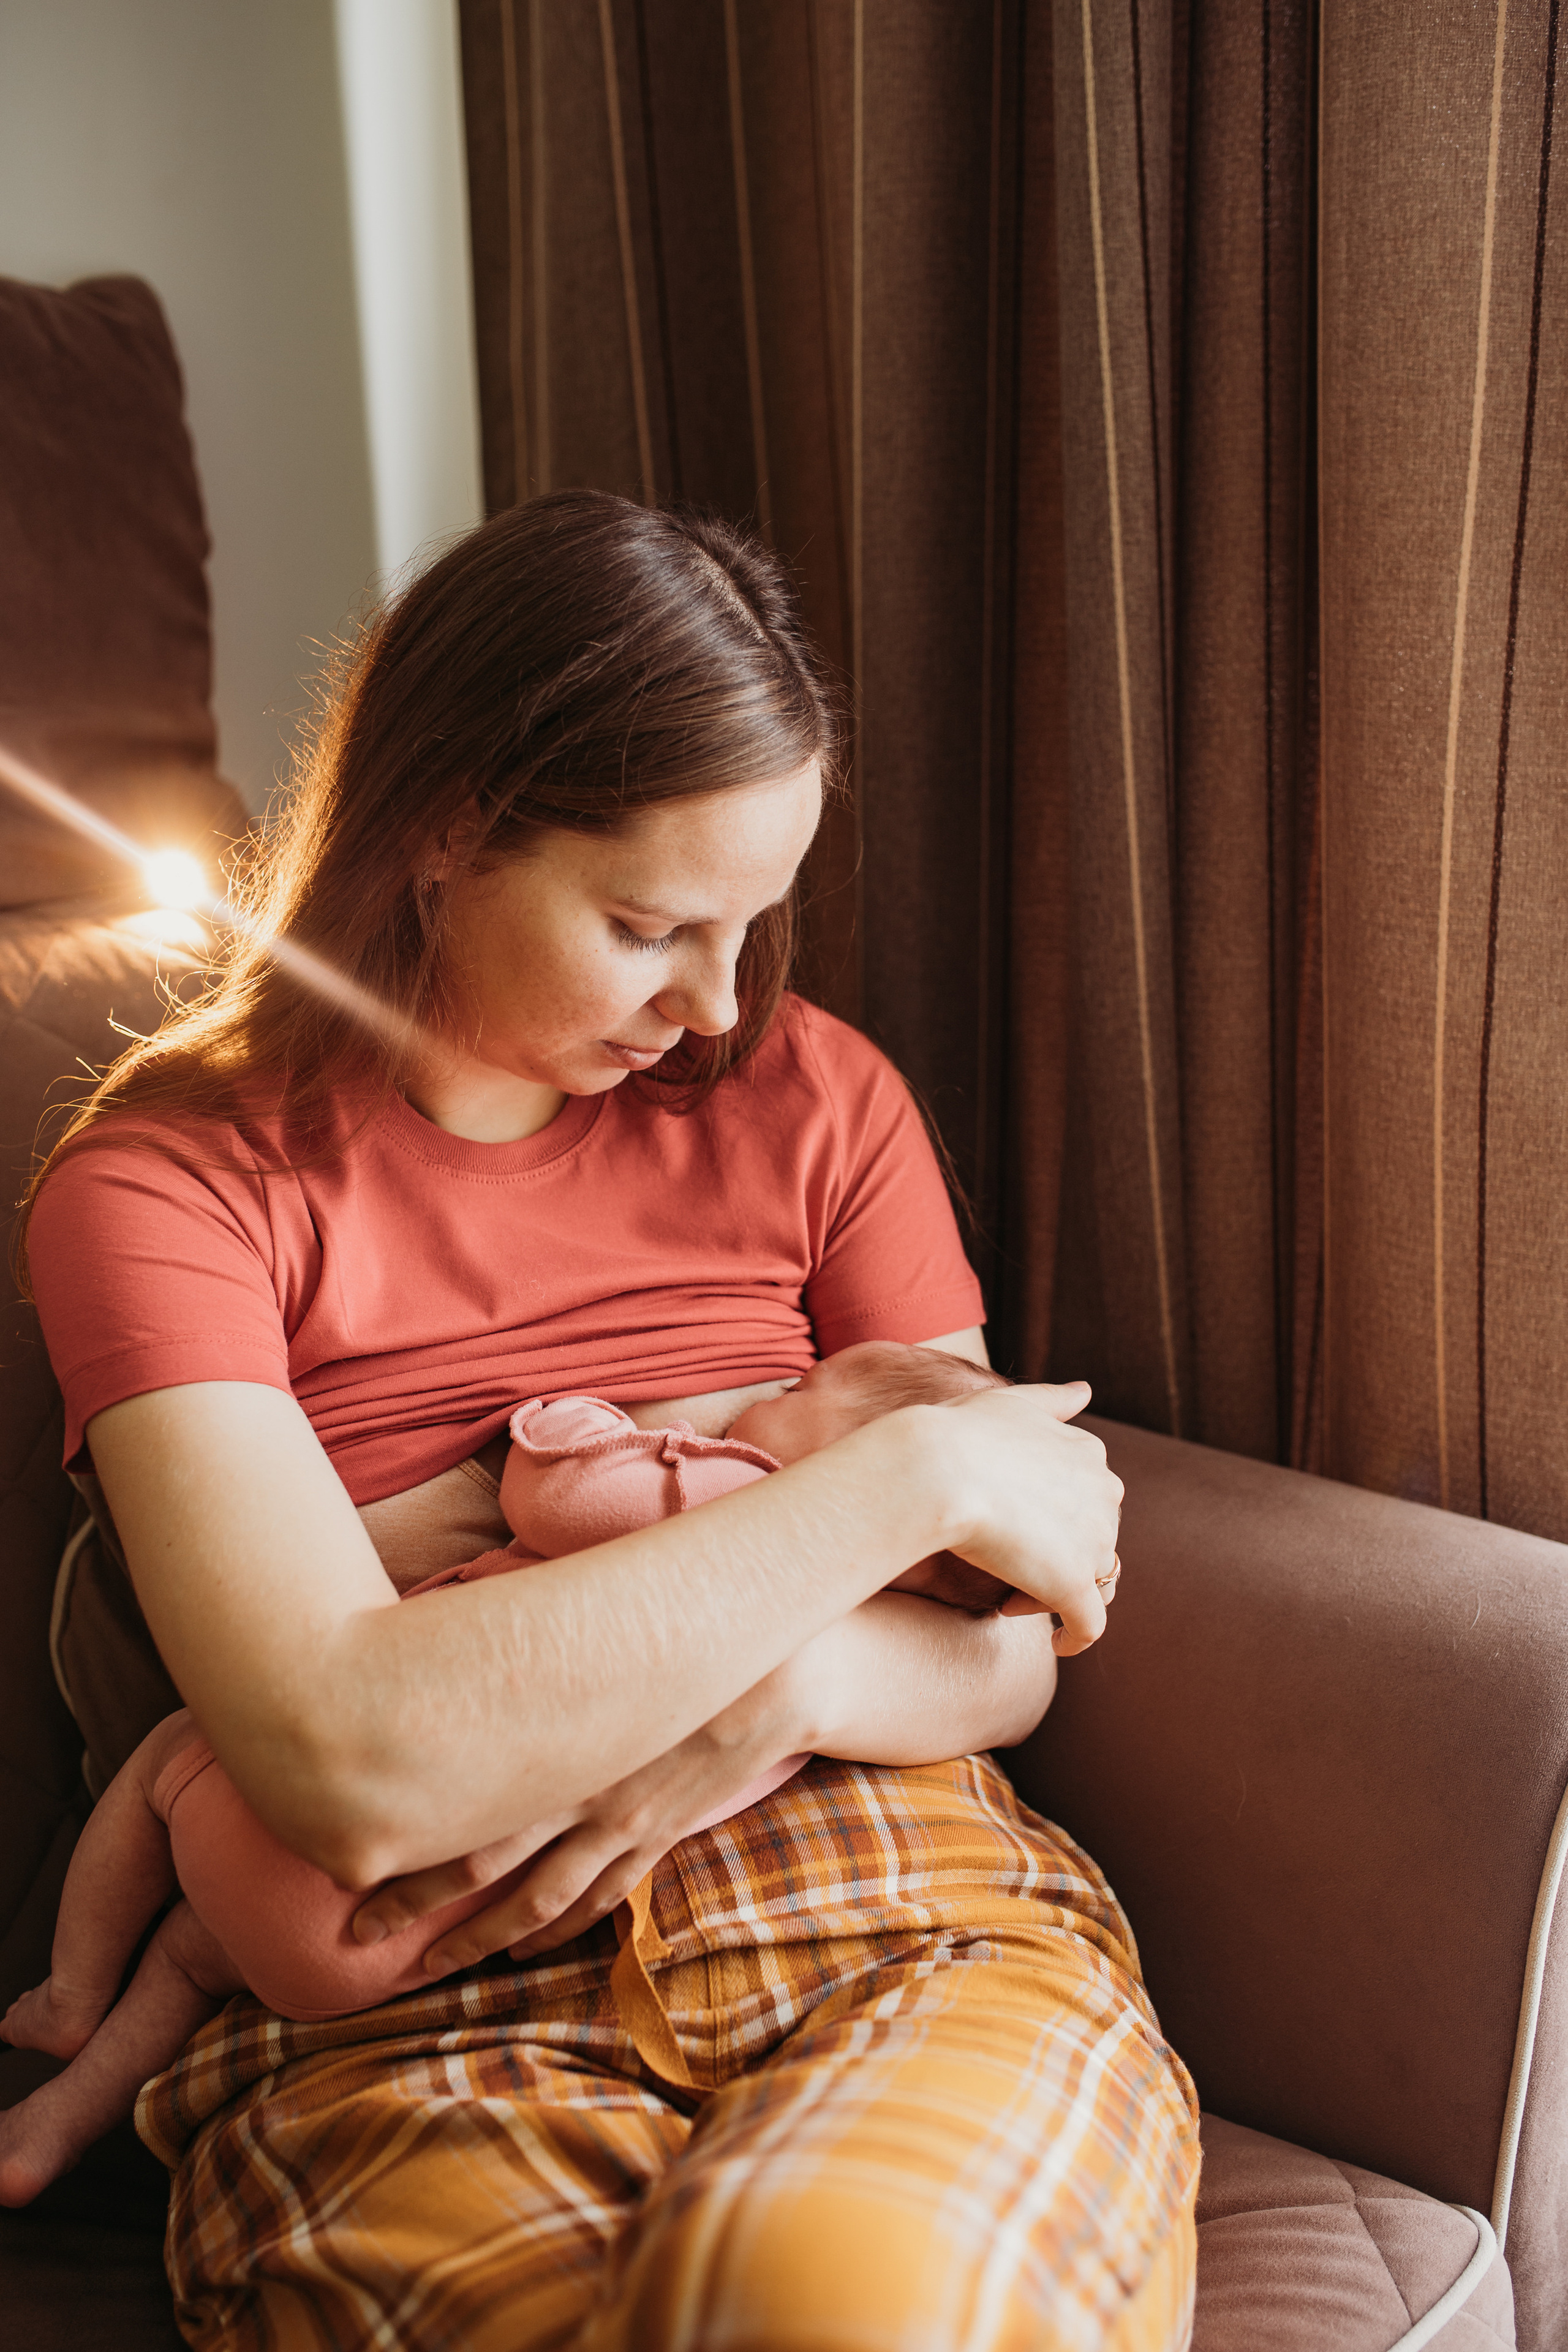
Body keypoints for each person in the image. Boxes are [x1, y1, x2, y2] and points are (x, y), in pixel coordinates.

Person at [19, 491, 1197, 2350]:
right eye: (650, 925)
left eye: (751, 925)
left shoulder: (818, 1102)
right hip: (405, 2006)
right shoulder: (164, 1191)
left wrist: (788, 1689)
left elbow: (1009, 1654)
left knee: (834, 2307)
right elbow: (353, 1762)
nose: (716, 1003)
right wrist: (907, 1475)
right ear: (444, 828)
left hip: (893, 1905)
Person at [0, 1342, 1038, 2198]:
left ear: (864, 1462)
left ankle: (72, 1999)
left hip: (340, 1846)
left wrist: (581, 1412)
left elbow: (560, 1492)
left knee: (167, 1765)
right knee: (198, 1954)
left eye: (803, 1391)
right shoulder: (882, 1628)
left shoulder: (744, 1498)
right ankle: (57, 2123)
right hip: (406, 1944)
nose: (771, 1390)